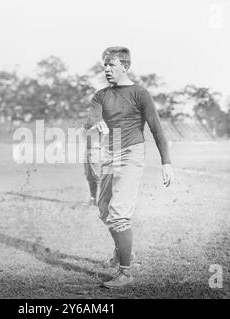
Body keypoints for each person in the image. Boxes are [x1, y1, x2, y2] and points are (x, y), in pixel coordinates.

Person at [85, 47, 173, 289]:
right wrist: (96, 123)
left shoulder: (140, 93)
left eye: (111, 65)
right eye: (104, 65)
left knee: (118, 213)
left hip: (131, 153)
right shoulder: (100, 95)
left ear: (125, 66)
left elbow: (156, 129)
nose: (106, 69)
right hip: (108, 154)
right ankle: (121, 252)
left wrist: (166, 163)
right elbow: (89, 122)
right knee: (104, 210)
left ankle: (125, 272)